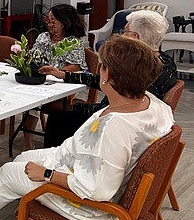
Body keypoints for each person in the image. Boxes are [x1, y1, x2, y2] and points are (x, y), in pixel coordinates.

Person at [0, 35, 173, 220]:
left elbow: (98, 190)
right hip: (76, 165)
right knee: (23, 158)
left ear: (108, 76)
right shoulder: (155, 104)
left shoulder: (116, 128)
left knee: (9, 172)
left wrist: (47, 174)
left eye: (102, 67)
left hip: (90, 208)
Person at [40, 9, 177, 147]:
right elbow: (108, 83)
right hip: (126, 120)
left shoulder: (144, 70)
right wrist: (64, 75)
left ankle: (56, 158)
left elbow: (108, 112)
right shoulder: (163, 62)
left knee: (58, 115)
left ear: (135, 37)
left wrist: (72, 107)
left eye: (124, 32)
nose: (122, 36)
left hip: (114, 126)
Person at [23, 4, 87, 148]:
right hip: (41, 81)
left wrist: (55, 71)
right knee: (30, 98)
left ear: (64, 23)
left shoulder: (73, 42)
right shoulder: (43, 37)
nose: (49, 23)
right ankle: (27, 140)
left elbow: (75, 66)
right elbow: (33, 57)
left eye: (53, 20)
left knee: (34, 99)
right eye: (49, 19)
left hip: (61, 85)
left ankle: (31, 140)